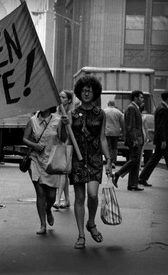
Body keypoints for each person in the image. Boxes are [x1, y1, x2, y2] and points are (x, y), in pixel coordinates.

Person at [70, 76, 112, 249]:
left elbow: (103, 138)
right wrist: (65, 124)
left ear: (95, 93)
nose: (86, 93)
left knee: (93, 194)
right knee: (80, 197)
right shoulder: (72, 114)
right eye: (84, 90)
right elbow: (65, 139)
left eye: (90, 90)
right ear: (79, 92)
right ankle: (81, 235)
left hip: (95, 159)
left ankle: (91, 222)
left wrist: (108, 160)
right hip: (77, 160)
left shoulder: (100, 114)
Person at [22, 106, 69, 235]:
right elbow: (25, 138)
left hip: (52, 161)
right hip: (35, 160)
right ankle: (42, 224)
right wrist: (34, 145)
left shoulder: (58, 120)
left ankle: (48, 209)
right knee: (40, 193)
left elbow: (63, 139)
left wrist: (65, 126)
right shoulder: (32, 120)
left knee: (51, 196)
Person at [112, 90, 146, 191]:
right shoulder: (132, 108)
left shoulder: (135, 108)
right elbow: (131, 126)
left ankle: (132, 184)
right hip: (135, 140)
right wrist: (135, 139)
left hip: (137, 139)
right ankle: (117, 174)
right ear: (135, 98)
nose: (142, 99)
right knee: (134, 159)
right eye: (141, 97)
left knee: (135, 161)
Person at [53, 90, 73, 210]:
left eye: (63, 97)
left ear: (69, 100)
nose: (60, 99)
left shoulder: (70, 112)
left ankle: (57, 199)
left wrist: (66, 144)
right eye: (59, 96)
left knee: (62, 172)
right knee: (63, 173)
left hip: (66, 145)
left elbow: (70, 131)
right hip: (58, 144)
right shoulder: (57, 112)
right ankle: (67, 199)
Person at [103, 100, 124, 166]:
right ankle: (113, 162)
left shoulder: (104, 111)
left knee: (108, 146)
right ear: (114, 104)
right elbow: (122, 122)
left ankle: (108, 160)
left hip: (107, 132)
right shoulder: (118, 112)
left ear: (108, 104)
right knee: (114, 147)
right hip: (116, 132)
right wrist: (123, 131)